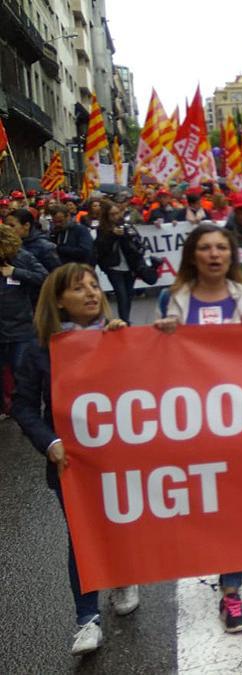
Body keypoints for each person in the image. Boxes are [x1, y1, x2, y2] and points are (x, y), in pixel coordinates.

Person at [155, 223, 242, 632]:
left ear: (231, 256)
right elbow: (150, 364)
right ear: (193, 255)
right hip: (189, 424)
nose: (214, 255)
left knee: (234, 509)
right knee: (202, 506)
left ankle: (232, 592)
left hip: (240, 423)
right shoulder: (170, 299)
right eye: (206, 248)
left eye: (221, 248)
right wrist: (159, 338)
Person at [13, 263, 138, 655]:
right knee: (83, 535)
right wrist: (49, 442)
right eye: (78, 288)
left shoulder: (117, 337)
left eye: (93, 285)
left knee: (118, 522)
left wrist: (127, 345)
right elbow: (23, 406)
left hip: (119, 455)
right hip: (72, 463)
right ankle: (86, 618)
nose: (90, 293)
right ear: (59, 302)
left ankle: (122, 576)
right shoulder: (39, 348)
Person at [1, 224, 48, 418]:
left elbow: (45, 277)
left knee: (23, 374)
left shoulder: (22, 257)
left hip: (21, 327)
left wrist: (16, 272)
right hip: (2, 329)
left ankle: (30, 414)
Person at [93, 200, 144, 323]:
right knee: (121, 295)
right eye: (112, 214)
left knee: (129, 294)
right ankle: (124, 321)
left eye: (117, 213)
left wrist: (125, 235)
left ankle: (125, 318)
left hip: (129, 265)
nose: (116, 216)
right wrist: (112, 236)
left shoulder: (127, 226)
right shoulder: (102, 230)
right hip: (114, 267)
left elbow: (136, 242)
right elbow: (101, 249)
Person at [6, 208, 61, 273]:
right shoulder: (8, 244)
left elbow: (56, 274)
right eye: (6, 225)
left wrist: (16, 272)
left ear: (26, 225)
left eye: (12, 225)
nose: (7, 229)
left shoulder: (45, 247)